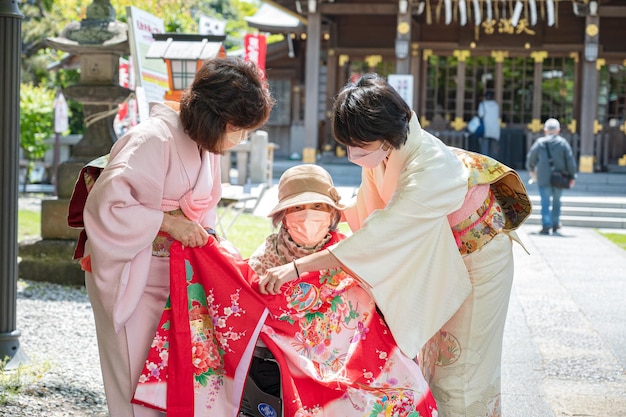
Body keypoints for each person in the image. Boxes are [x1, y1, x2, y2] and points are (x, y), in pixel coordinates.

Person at [259, 74, 532, 417]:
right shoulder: (389, 150)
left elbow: (379, 236)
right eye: (349, 144)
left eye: (359, 144)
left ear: (386, 134)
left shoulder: (431, 167)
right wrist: (321, 211)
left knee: (462, 370)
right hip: (442, 253)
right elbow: (369, 209)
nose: (352, 153)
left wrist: (298, 267)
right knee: (432, 362)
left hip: (477, 257)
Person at [81, 56, 274, 417]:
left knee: (172, 377)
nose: (241, 137)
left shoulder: (206, 144)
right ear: (215, 117)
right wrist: (169, 224)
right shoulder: (152, 138)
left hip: (178, 276)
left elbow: (205, 213)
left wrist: (217, 248)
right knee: (134, 377)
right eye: (238, 127)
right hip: (134, 268)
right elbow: (108, 205)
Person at [247, 164, 438, 417]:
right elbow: (253, 308)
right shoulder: (266, 257)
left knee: (405, 393)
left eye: (317, 207)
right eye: (297, 208)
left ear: (331, 213)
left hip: (360, 355)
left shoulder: (348, 249)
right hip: (297, 361)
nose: (307, 216)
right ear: (283, 215)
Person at [525, 118, 577, 235]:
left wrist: (532, 169)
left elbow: (530, 159)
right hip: (559, 178)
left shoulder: (540, 143)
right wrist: (572, 176)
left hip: (543, 177)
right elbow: (570, 161)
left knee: (545, 201)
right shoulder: (563, 143)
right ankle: (555, 223)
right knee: (557, 201)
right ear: (558, 130)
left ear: (545, 130)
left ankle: (546, 225)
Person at [477, 90, 501, 158]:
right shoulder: (496, 105)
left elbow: (480, 114)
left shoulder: (483, 104)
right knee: (493, 150)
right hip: (495, 129)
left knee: (484, 149)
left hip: (486, 128)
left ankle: (484, 164)